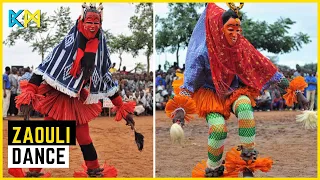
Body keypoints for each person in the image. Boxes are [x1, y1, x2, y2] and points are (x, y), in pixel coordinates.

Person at [165, 3, 308, 177]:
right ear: (220, 28)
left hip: (234, 91)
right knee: (218, 130)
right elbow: (189, 82)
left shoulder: (243, 47)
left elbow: (268, 69)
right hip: (210, 95)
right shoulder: (204, 52)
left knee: (245, 108)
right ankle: (214, 169)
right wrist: (180, 109)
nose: (235, 34)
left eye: (238, 29)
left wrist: (295, 90)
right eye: (230, 29)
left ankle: (248, 164)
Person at [10, 3, 141, 177]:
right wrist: (30, 92)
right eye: (89, 21)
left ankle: (93, 169)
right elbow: (44, 68)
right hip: (56, 99)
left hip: (77, 101)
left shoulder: (99, 51)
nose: (93, 26)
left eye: (97, 22)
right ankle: (34, 171)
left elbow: (104, 79)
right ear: (82, 21)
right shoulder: (68, 44)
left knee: (84, 137)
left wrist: (122, 108)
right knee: (48, 134)